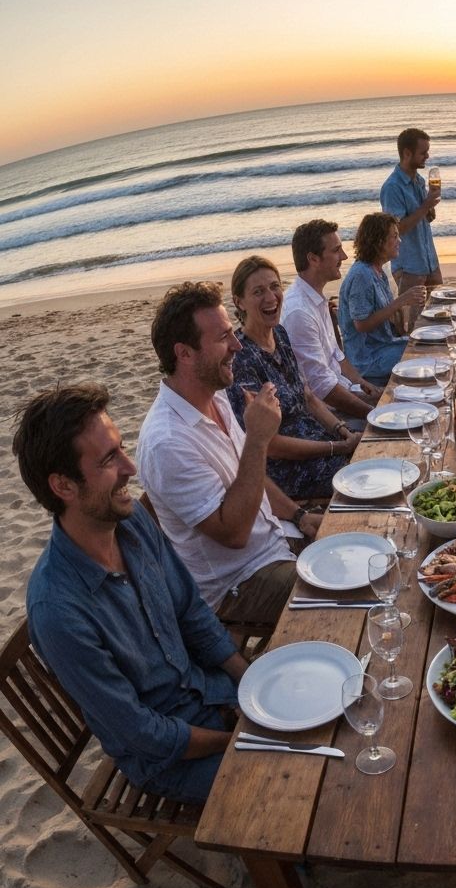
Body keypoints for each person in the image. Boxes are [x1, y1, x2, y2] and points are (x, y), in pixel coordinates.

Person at [14, 384, 247, 803]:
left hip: (208, 691)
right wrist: (230, 740)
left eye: (122, 449)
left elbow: (190, 610)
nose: (130, 468)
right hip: (169, 756)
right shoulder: (59, 611)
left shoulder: (131, 520)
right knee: (280, 776)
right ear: (63, 486)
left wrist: (247, 679)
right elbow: (140, 733)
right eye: (109, 459)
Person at [137, 281, 316, 628]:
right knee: (343, 588)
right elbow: (233, 534)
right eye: (222, 338)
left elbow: (249, 478)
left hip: (279, 540)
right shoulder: (166, 442)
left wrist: (299, 515)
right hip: (242, 583)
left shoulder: (215, 396)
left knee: (366, 537)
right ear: (184, 353)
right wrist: (258, 440)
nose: (237, 345)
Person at [226, 255, 359, 499]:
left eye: (275, 286)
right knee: (367, 476)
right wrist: (336, 447)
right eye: (258, 292)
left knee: (376, 454)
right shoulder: (241, 360)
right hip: (290, 469)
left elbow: (308, 397)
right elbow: (270, 445)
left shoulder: (280, 334)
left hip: (322, 443)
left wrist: (342, 430)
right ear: (239, 302)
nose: (270, 297)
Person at [280, 218, 383, 428]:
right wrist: (374, 414)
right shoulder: (299, 312)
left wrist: (362, 384)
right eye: (336, 250)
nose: (344, 257)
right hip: (329, 417)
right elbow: (322, 388)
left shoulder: (315, 299)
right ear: (313, 259)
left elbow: (337, 355)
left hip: (344, 394)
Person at [338, 213, 426, 386]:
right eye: (394, 236)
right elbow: (361, 325)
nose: (399, 241)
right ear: (378, 242)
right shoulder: (361, 275)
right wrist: (401, 301)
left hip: (384, 345)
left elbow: (389, 317)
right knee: (424, 352)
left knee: (425, 342)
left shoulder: (377, 270)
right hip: (367, 359)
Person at [380, 127, 442, 319]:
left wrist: (430, 208)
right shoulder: (392, 187)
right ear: (407, 153)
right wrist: (425, 206)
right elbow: (396, 229)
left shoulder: (419, 180)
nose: (427, 156)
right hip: (409, 266)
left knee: (440, 314)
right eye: (423, 152)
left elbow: (426, 218)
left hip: (429, 261)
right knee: (413, 324)